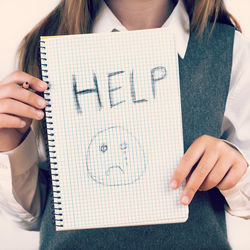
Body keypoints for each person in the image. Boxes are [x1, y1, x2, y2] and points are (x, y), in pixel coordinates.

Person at [0, 0, 250, 249]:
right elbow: (33, 214)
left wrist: (235, 169)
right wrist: (10, 142)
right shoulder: (41, 48)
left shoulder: (229, 49)